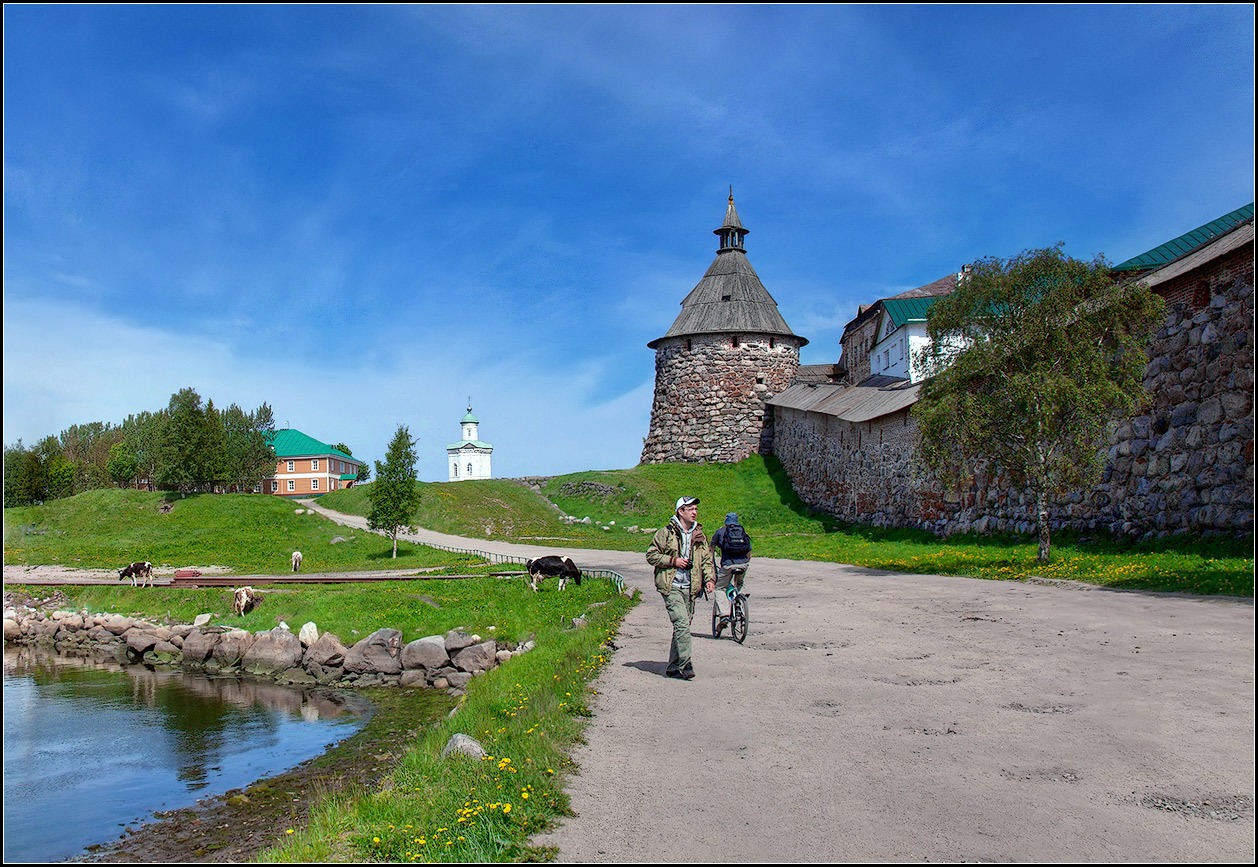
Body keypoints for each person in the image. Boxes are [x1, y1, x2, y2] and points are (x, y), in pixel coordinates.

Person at [646, 495, 716, 680]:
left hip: (691, 588)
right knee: (682, 624)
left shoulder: (699, 535)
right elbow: (651, 555)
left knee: (682, 627)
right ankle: (686, 664)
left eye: (695, 509)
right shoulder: (665, 533)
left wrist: (709, 579)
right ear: (680, 511)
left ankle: (672, 667)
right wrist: (673, 561)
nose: (694, 512)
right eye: (690, 509)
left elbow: (707, 561)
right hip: (671, 586)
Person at [709, 512, 752, 636]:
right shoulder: (742, 532)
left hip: (728, 565)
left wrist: (711, 563)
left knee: (719, 588)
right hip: (743, 564)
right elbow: (749, 551)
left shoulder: (720, 532)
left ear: (726, 522)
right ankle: (738, 602)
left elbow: (711, 548)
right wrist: (745, 563)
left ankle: (725, 614)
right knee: (739, 582)